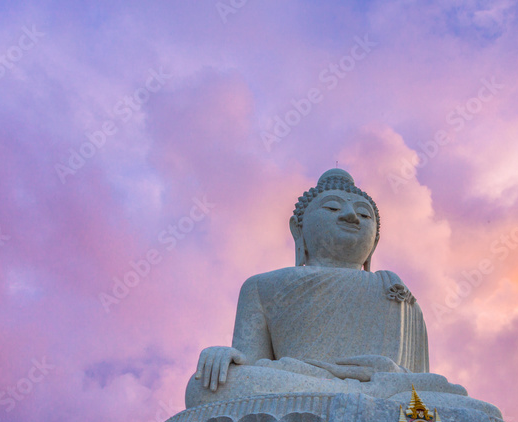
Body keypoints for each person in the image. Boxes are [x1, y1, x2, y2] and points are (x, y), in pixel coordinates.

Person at [188, 168, 465, 408]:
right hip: (308, 383)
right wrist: (226, 357)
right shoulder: (261, 286)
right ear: (299, 229)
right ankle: (367, 396)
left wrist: (389, 380)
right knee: (208, 386)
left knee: (452, 398)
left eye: (363, 215)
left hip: (376, 389)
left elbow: (414, 380)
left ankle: (365, 396)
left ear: (375, 243)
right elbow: (249, 364)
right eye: (332, 208)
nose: (350, 216)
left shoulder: (392, 287)